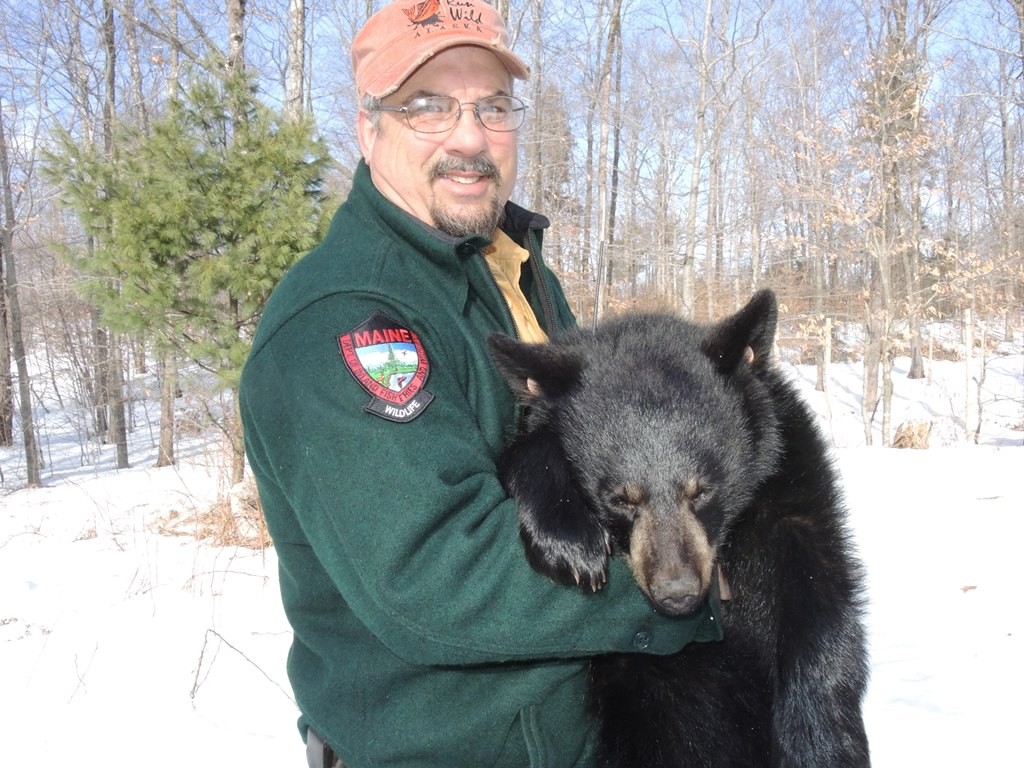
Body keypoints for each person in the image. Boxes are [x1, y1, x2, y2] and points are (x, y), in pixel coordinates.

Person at [239, 2, 721, 766]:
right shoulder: (350, 320)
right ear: (370, 128)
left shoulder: (510, 267)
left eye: (491, 106)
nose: (470, 137)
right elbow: (440, 575)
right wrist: (692, 583)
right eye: (427, 106)